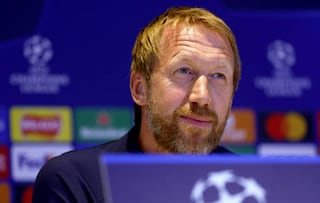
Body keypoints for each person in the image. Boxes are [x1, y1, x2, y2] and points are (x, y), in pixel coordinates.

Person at [32, 6, 241, 202]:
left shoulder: (254, 184)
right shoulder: (74, 181)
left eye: (218, 75)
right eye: (184, 71)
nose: (202, 96)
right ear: (140, 89)